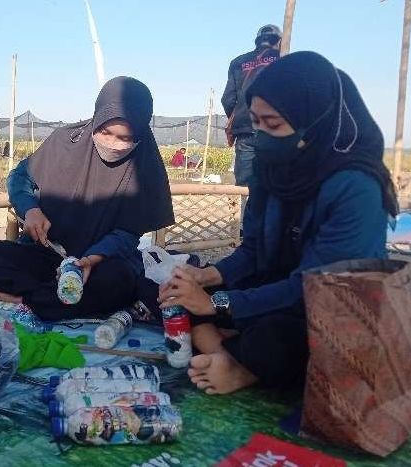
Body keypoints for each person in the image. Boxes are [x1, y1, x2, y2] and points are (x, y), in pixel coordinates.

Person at [157, 52, 398, 395]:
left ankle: (240, 367)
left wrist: (217, 304)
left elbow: (316, 288)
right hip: (275, 292)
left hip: (332, 308)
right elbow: (253, 249)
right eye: (255, 122)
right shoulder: (272, 170)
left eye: (272, 125)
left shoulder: (356, 188)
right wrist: (205, 278)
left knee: (270, 342)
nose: (260, 135)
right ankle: (227, 356)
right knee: (173, 296)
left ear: (315, 122)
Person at [0, 76, 174, 320]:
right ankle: (55, 298)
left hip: (97, 264)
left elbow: (127, 235)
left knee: (118, 281)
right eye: (105, 132)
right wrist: (30, 209)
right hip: (47, 256)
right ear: (96, 118)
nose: (113, 144)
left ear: (140, 134)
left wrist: (88, 261)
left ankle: (20, 299)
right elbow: (20, 177)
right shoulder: (64, 142)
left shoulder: (144, 169)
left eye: (125, 138)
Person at [222, 24, 282, 186]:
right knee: (276, 182)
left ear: (257, 41)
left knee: (245, 184)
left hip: (245, 130)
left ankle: (244, 211)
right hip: (275, 130)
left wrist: (240, 116)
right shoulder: (284, 58)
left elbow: (227, 99)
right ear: (279, 42)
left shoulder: (238, 62)